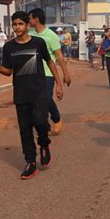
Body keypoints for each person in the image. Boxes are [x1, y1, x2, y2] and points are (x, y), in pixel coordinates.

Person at [0, 11, 63, 179]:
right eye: (14, 24)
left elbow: (50, 62)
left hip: (39, 91)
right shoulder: (9, 47)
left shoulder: (39, 42)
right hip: (21, 94)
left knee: (40, 122)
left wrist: (59, 83)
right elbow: (8, 72)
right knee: (24, 129)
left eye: (20, 24)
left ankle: (44, 144)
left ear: (27, 25)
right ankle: (30, 162)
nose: (17, 27)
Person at [28, 8, 71, 136]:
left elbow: (59, 56)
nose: (28, 21)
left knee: (46, 99)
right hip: (33, 73)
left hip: (48, 73)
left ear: (36, 19)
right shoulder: (30, 34)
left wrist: (65, 74)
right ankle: (44, 127)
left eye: (30, 18)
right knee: (36, 101)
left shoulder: (51, 35)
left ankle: (56, 119)